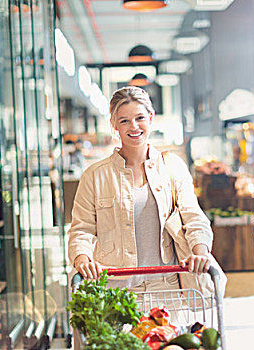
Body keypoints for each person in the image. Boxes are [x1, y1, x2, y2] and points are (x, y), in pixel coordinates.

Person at [68, 86, 212, 293]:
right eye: (124, 120)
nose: (133, 126)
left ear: (151, 117)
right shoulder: (95, 176)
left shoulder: (172, 167)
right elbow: (81, 229)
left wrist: (201, 252)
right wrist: (82, 260)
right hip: (115, 287)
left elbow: (193, 216)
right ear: (114, 125)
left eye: (140, 118)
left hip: (165, 285)